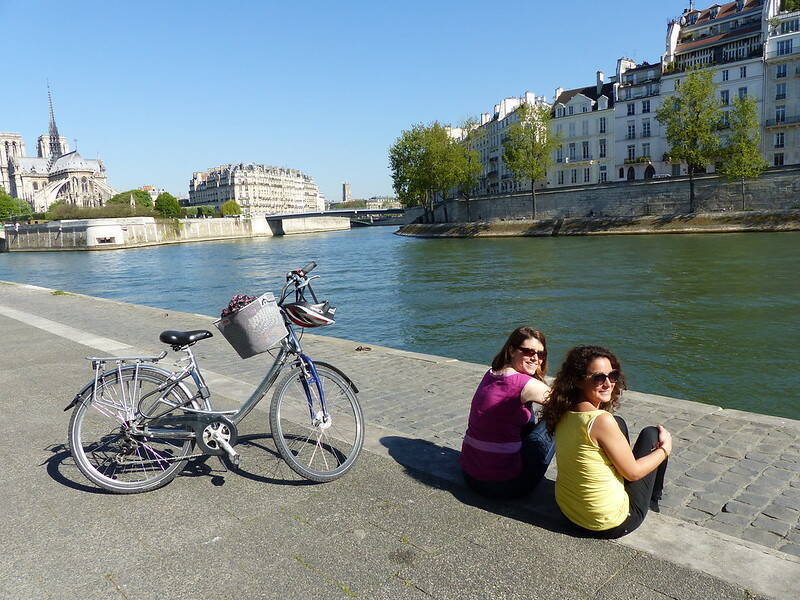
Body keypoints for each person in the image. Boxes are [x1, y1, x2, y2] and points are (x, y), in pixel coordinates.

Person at [541, 345, 670, 538]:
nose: (608, 383)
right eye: (599, 378)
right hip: (606, 523)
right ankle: (651, 501)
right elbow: (634, 473)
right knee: (652, 434)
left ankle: (636, 489)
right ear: (578, 380)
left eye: (613, 376)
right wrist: (665, 449)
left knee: (619, 422)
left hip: (569, 513)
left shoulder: (562, 411)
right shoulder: (601, 421)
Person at [460, 326, 555, 498]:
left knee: (520, 411)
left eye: (541, 354)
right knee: (559, 417)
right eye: (528, 351)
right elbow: (569, 405)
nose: (535, 358)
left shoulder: (491, 373)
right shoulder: (526, 384)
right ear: (511, 350)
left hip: (470, 475)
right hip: (506, 485)